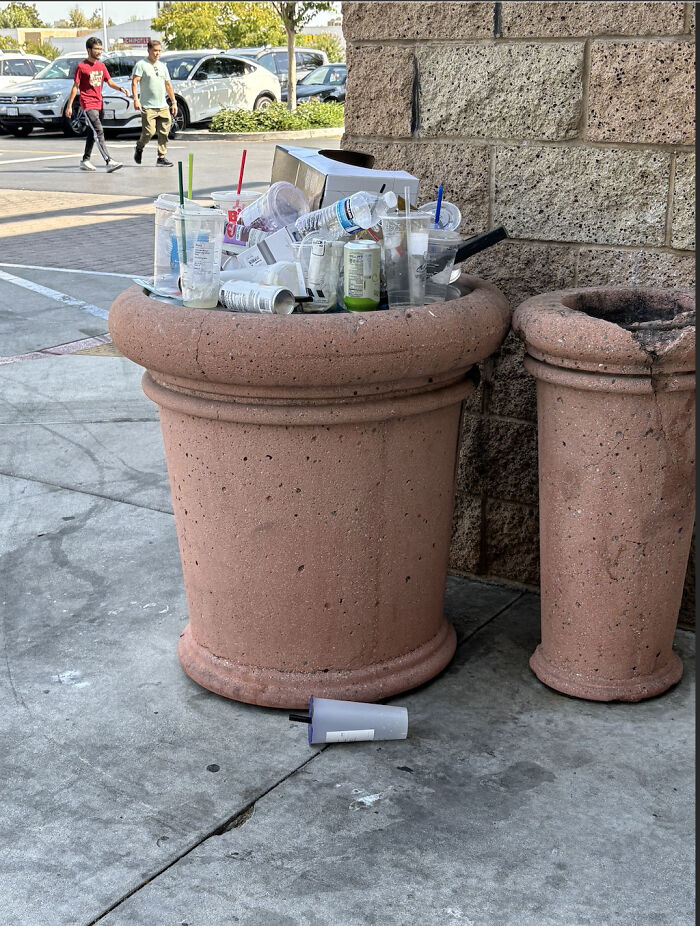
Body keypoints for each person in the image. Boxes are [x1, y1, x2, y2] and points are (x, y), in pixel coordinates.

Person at [64, 36, 129, 173]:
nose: (99, 51)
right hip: (87, 104)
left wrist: (120, 88)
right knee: (98, 131)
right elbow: (75, 87)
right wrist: (70, 106)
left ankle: (85, 160)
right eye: (96, 49)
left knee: (91, 132)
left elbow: (109, 82)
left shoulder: (101, 66)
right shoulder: (81, 67)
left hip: (99, 103)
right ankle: (108, 161)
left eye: (100, 49)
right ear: (88, 50)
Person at [131, 40, 177, 167]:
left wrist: (173, 102)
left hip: (162, 105)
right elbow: (134, 82)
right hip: (148, 106)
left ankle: (161, 158)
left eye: (159, 51)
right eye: (155, 50)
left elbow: (168, 84)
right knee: (149, 132)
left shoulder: (163, 66)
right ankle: (139, 147)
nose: (157, 53)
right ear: (149, 50)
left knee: (164, 132)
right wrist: (136, 100)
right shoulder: (141, 65)